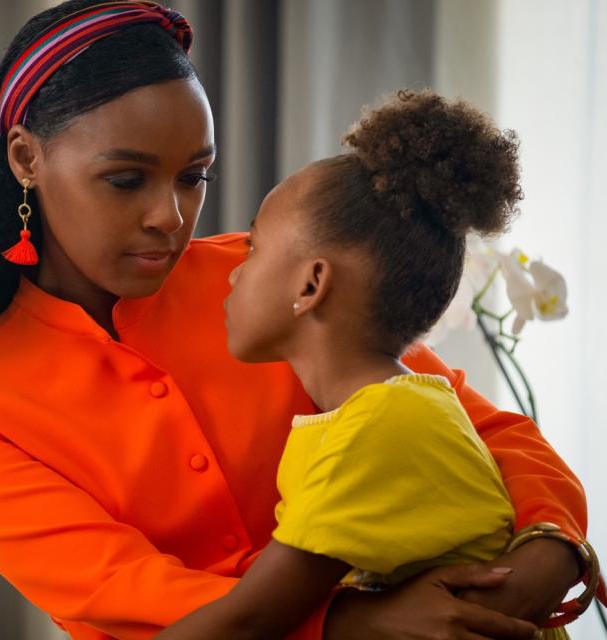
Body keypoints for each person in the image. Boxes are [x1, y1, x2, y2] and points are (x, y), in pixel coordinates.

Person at [0, 1, 594, 639]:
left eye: (195, 176)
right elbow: (133, 600)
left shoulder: (268, 278)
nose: (172, 216)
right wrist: (360, 626)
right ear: (27, 158)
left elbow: (474, 430)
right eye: (126, 180)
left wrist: (550, 549)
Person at [153, 90, 600, 640]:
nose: (232, 273)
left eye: (253, 249)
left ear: (312, 283)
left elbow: (250, 620)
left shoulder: (378, 429)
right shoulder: (392, 406)